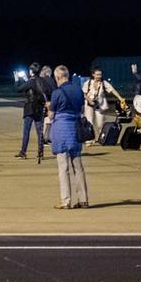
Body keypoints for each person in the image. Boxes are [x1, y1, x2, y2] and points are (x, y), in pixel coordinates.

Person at [46, 65, 89, 208]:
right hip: (75, 129)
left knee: (63, 167)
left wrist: (49, 107)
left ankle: (66, 200)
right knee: (78, 166)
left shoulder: (57, 92)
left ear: (58, 77)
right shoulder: (78, 89)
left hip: (61, 129)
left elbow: (51, 114)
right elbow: (81, 109)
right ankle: (83, 199)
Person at [15, 63, 49, 160]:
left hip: (30, 108)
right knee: (39, 132)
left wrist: (16, 79)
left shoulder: (31, 81)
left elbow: (19, 89)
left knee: (26, 131)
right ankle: (40, 152)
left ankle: (23, 152)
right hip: (39, 109)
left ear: (31, 71)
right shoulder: (42, 80)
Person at [81, 68, 117, 146]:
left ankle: (102, 138)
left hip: (99, 105)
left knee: (100, 123)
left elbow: (112, 90)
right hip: (89, 104)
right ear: (93, 74)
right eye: (97, 74)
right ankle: (89, 139)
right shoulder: (88, 83)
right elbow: (83, 93)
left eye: (100, 74)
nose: (99, 76)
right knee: (89, 121)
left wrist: (120, 98)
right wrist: (89, 100)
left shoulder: (103, 83)